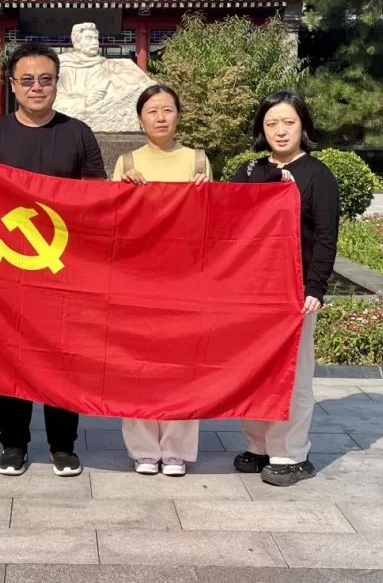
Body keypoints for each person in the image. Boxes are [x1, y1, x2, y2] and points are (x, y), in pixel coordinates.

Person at [0, 42, 107, 478]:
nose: (37, 87)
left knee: (63, 357)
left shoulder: (78, 133)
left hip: (64, 267)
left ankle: (63, 444)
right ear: (13, 85)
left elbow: (96, 195)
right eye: (28, 80)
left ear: (57, 83)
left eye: (46, 79)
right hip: (8, 268)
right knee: (10, 356)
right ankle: (13, 442)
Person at [228, 90, 339, 487]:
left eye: (288, 122)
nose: (280, 130)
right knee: (253, 372)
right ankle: (258, 445)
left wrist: (316, 287)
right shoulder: (248, 171)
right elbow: (228, 221)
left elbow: (325, 237)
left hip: (294, 293)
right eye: (271, 123)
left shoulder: (318, 175)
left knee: (293, 375)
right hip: (251, 292)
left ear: (303, 126)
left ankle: (290, 453)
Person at [112, 84, 211, 477]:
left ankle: (176, 450)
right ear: (140, 119)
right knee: (137, 364)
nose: (160, 117)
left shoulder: (197, 161)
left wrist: (206, 195)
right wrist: (124, 192)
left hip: (184, 277)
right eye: (152, 111)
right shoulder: (127, 162)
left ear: (178, 115)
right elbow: (113, 221)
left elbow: (210, 223)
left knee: (181, 365)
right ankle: (143, 449)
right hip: (137, 277)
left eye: (167, 109)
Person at [52, 22, 156, 132]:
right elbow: (55, 99)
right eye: (88, 38)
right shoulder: (63, 67)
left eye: (95, 38)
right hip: (71, 126)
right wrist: (85, 101)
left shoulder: (110, 65)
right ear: (77, 43)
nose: (94, 42)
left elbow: (140, 84)